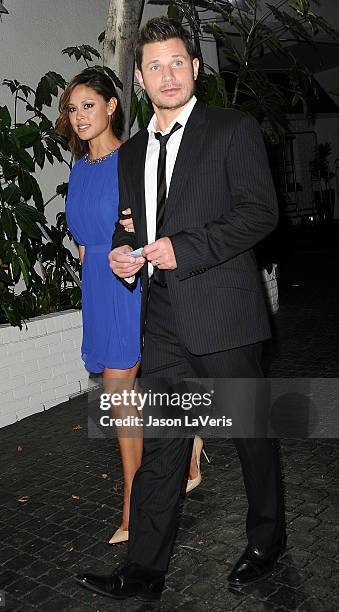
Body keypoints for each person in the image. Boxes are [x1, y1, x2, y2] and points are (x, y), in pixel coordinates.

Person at [75, 17, 286, 601]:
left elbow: (259, 212)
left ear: (195, 68)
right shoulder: (132, 151)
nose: (167, 74)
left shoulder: (231, 128)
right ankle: (143, 568)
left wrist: (182, 249)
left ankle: (268, 542)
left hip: (225, 312)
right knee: (165, 445)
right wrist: (123, 254)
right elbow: (128, 223)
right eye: (154, 66)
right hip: (162, 317)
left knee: (250, 436)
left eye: (177, 63)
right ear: (140, 79)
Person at [56, 68, 206, 545]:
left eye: (89, 106)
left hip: (130, 284)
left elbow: (152, 221)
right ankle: (190, 447)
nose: (80, 117)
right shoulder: (78, 168)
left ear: (111, 106)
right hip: (96, 287)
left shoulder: (133, 158)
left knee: (120, 396)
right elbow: (83, 238)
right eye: (73, 109)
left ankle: (132, 507)